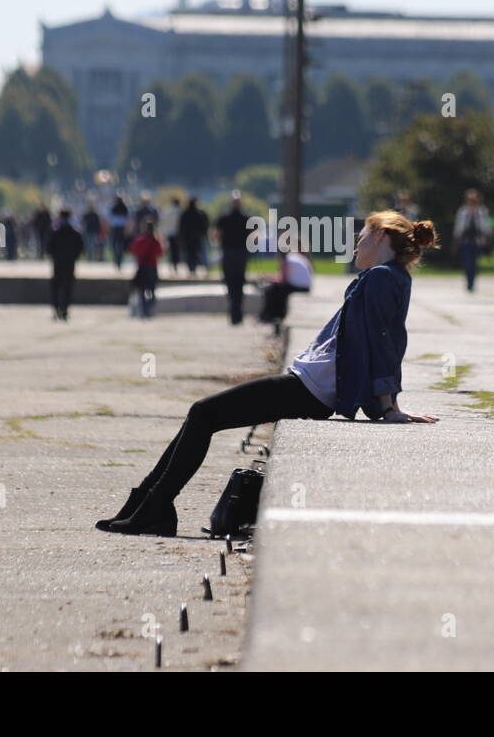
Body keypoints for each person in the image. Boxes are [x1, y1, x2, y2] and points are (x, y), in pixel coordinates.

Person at [96, 211, 440, 537]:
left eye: (361, 235)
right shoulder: (388, 276)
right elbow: (388, 338)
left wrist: (388, 404)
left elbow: (385, 341)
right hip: (307, 385)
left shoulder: (382, 277)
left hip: (308, 389)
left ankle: (154, 506)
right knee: (201, 414)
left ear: (380, 236)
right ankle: (146, 502)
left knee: (203, 413)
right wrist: (388, 402)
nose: (355, 243)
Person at [216, 193, 251, 324]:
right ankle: (238, 312)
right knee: (240, 282)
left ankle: (233, 311)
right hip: (241, 253)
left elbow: (217, 235)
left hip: (228, 252)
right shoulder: (246, 218)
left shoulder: (223, 218)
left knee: (230, 282)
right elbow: (253, 235)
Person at [259, 243, 313, 327]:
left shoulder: (286, 260)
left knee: (272, 290)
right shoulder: (293, 257)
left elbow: (282, 280)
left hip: (301, 287)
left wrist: (267, 278)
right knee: (277, 289)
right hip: (304, 285)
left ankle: (272, 316)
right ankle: (274, 316)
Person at [45, 209, 85, 321]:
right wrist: (74, 257)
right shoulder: (75, 233)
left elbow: (48, 248)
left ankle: (56, 308)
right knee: (68, 287)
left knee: (56, 287)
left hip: (58, 264)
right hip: (70, 264)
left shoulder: (55, 233)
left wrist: (54, 257)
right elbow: (80, 248)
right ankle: (65, 309)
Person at [453, 189, 491, 292]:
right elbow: (458, 227)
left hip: (477, 240)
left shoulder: (482, 211)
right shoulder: (463, 212)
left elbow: (486, 226)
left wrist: (487, 237)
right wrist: (457, 239)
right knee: (467, 262)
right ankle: (469, 282)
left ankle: (472, 282)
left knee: (475, 263)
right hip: (465, 240)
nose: (471, 202)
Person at [127, 220, 164, 319]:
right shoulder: (156, 240)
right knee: (152, 289)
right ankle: (149, 308)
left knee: (142, 290)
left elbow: (132, 250)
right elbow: (160, 253)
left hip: (142, 268)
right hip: (152, 267)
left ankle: (144, 310)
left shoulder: (140, 240)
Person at [179, 197, 209, 276]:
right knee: (196, 252)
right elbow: (204, 225)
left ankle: (191, 268)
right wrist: (204, 234)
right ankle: (196, 267)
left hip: (187, 237)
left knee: (189, 253)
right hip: (197, 237)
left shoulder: (185, 213)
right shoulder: (199, 213)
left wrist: (181, 236)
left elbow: (181, 226)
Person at [160, 197, 183, 275]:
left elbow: (163, 222)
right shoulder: (180, 211)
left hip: (169, 233)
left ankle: (171, 265)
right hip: (177, 234)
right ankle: (175, 265)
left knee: (171, 251)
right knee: (176, 251)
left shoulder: (167, 211)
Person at [108, 194, 130, 270]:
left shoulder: (113, 208)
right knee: (121, 246)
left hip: (115, 229)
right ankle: (119, 260)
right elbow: (127, 219)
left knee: (114, 245)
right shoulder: (125, 208)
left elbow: (110, 219)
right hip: (122, 229)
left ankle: (116, 260)